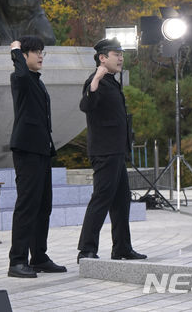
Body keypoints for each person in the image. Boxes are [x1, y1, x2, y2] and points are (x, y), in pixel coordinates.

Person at [77, 38, 147, 264]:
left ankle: (122, 248)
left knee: (121, 200)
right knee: (101, 199)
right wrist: (96, 77)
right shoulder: (96, 81)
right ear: (102, 58)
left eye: (121, 54)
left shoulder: (113, 82)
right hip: (105, 152)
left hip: (116, 151)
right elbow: (86, 105)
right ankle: (86, 250)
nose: (121, 58)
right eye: (116, 54)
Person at [7, 36, 67, 278]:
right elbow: (20, 74)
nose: (41, 56)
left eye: (42, 52)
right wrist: (15, 50)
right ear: (24, 56)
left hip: (42, 149)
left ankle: (39, 256)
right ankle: (17, 260)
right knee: (27, 205)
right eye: (35, 52)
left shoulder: (37, 81)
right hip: (27, 149)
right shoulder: (19, 78)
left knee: (44, 206)